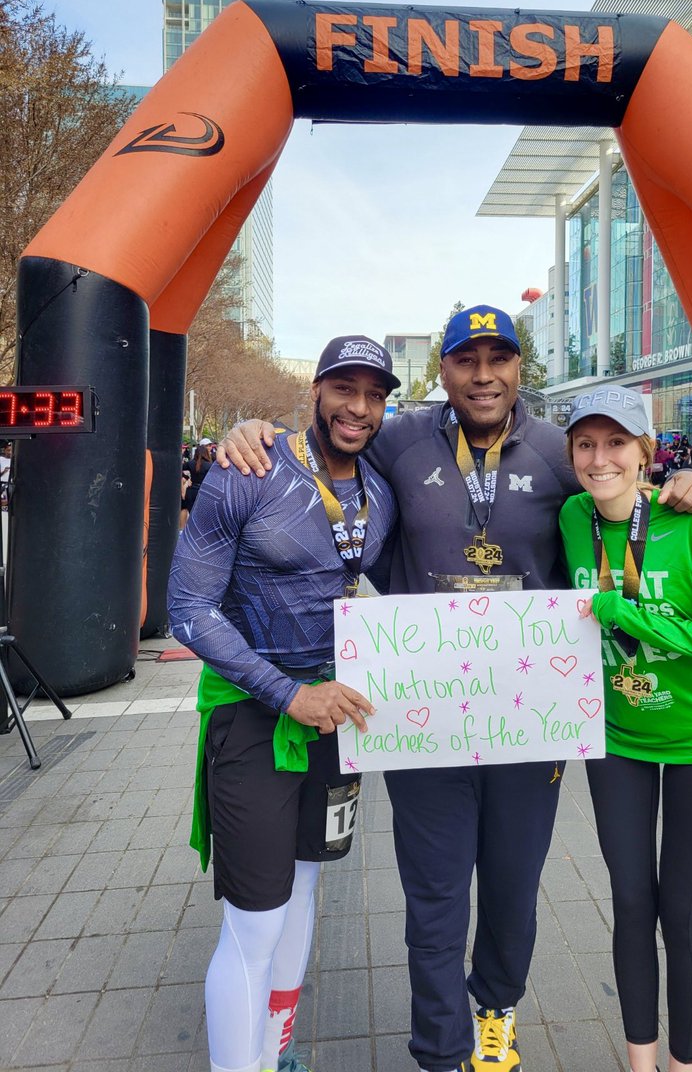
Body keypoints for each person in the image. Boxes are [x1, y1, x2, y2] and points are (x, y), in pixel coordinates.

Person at [219, 305, 692, 1072]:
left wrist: (685, 481)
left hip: (533, 718)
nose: (482, 376)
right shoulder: (400, 436)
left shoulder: (559, 451)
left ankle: (497, 1014)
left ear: (520, 368)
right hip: (426, 717)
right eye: (465, 361)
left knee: (514, 890)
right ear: (444, 371)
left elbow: (625, 494)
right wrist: (251, 427)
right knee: (435, 894)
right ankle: (440, 1047)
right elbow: (326, 438)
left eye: (498, 359)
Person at [168, 335, 401, 1072]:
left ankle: (275, 1054)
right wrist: (287, 694)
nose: (358, 407)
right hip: (252, 713)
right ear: (317, 392)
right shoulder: (248, 468)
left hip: (335, 719)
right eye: (344, 388)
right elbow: (187, 609)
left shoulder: (380, 494)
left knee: (304, 890)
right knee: (255, 920)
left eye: (374, 394)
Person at [558, 386, 692, 1072]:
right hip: (615, 740)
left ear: (646, 451)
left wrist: (630, 613)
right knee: (628, 902)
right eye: (585, 444)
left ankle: (686, 1066)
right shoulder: (570, 517)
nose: (600, 459)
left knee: (681, 914)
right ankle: (641, 1063)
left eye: (616, 443)